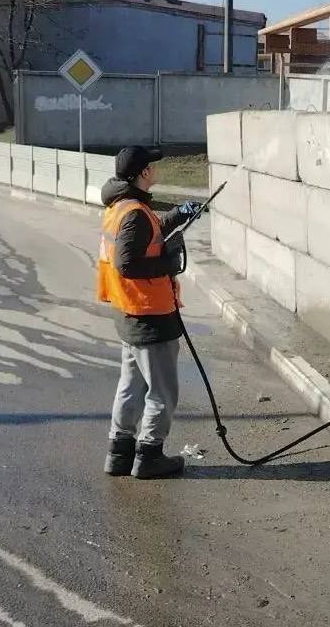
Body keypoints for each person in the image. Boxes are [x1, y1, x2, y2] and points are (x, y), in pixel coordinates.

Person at [96, 146, 202, 479]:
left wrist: (180, 214)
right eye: (153, 166)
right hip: (150, 314)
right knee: (162, 390)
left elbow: (149, 232)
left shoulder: (123, 206)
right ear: (143, 173)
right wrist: (167, 263)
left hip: (130, 313)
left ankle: (119, 453)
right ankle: (149, 456)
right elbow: (127, 262)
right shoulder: (135, 214)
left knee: (130, 387)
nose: (157, 170)